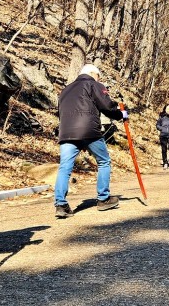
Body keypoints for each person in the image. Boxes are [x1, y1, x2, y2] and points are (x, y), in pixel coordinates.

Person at [53, 64, 127, 218]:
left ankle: (60, 204)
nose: (99, 79)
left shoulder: (65, 90)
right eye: (98, 76)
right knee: (104, 161)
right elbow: (107, 106)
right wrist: (121, 115)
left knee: (65, 167)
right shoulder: (94, 84)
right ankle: (103, 199)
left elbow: (60, 111)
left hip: (67, 132)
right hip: (89, 130)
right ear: (93, 73)